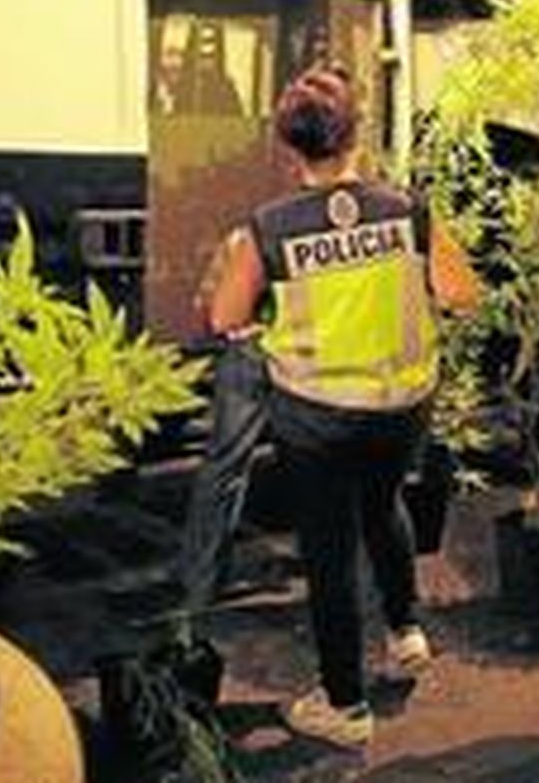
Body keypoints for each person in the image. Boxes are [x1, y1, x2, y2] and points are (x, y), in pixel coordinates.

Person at [206, 63, 480, 747]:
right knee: (384, 504)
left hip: (317, 415)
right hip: (401, 406)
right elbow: (461, 293)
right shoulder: (409, 210)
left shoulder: (267, 229)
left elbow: (225, 317)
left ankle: (345, 705)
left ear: (288, 145)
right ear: (359, 133)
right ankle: (406, 632)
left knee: (329, 553)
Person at [174, 228, 270, 613]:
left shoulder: (247, 235)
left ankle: (200, 586)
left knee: (224, 466)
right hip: (306, 358)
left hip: (247, 351)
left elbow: (210, 312)